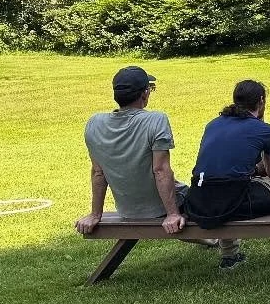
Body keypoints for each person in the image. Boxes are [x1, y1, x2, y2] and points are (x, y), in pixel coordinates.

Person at [76, 66, 203, 252]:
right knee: (212, 198)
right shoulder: (156, 120)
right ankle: (229, 250)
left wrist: (96, 214)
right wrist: (172, 214)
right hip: (160, 208)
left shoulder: (94, 123)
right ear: (144, 94)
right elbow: (160, 171)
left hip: (127, 210)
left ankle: (211, 241)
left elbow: (98, 172)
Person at [183, 80, 270, 270]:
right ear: (261, 101)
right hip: (234, 201)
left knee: (230, 187)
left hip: (201, 200)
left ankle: (229, 256)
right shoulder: (265, 130)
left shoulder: (212, 124)